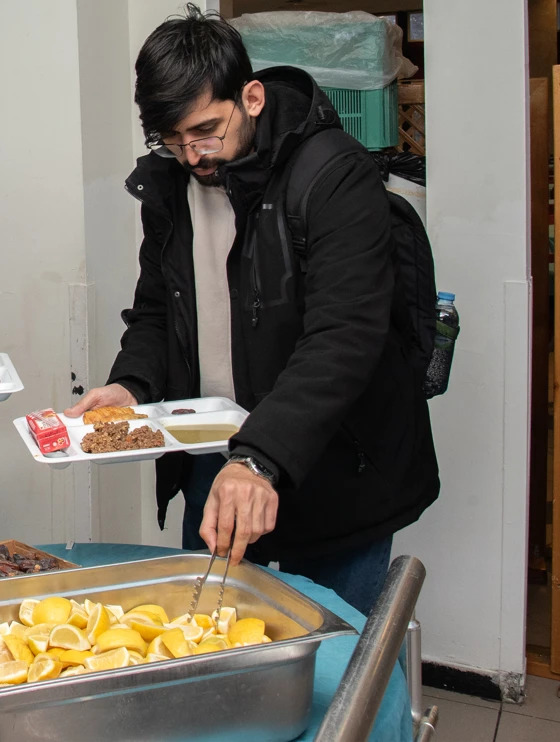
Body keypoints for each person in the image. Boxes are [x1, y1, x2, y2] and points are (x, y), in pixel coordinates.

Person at [66, 7, 438, 614]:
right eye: (174, 139)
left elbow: (343, 336)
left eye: (207, 130)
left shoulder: (333, 176)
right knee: (216, 649)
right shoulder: (170, 185)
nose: (193, 155)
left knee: (338, 662)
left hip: (335, 467)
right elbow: (160, 311)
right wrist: (131, 385)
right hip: (220, 465)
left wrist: (260, 458)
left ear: (253, 97)